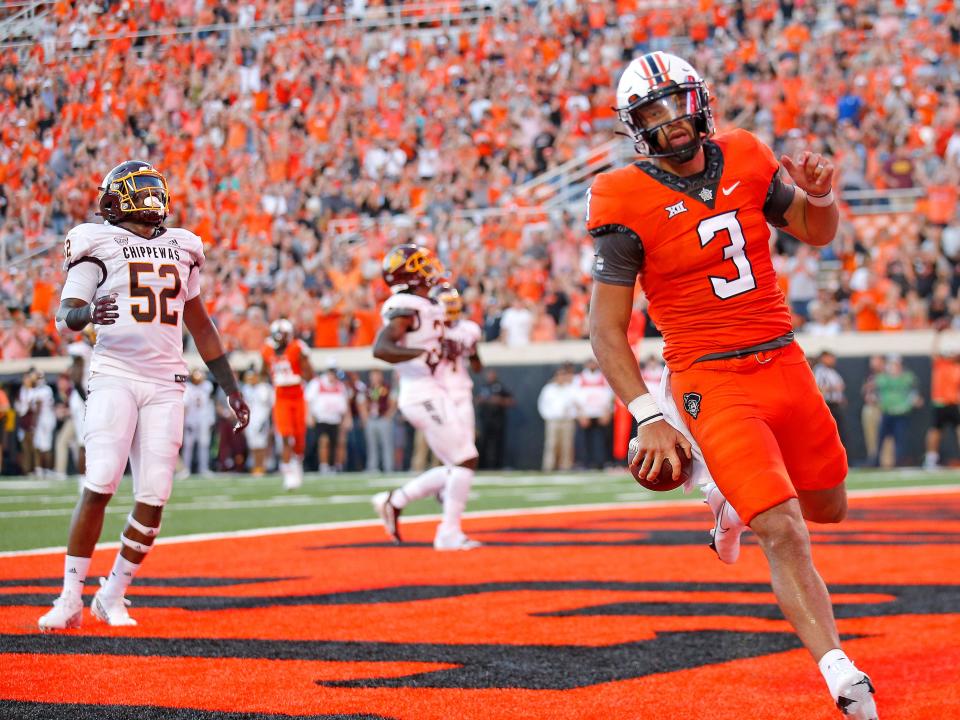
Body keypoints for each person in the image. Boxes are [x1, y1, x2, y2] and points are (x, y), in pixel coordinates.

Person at [586, 53, 877, 719]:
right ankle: (841, 675)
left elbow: (814, 230)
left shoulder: (745, 153)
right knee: (783, 529)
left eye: (679, 103)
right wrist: (646, 414)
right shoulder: (621, 196)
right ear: (636, 127)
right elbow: (606, 329)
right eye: (655, 113)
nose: (674, 122)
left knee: (827, 508)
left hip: (782, 359)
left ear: (699, 100)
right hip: (708, 378)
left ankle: (722, 494)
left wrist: (822, 195)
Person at [38, 160, 249, 632]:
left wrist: (230, 387)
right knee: (101, 480)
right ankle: (70, 595)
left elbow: (201, 325)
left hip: (165, 381)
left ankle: (112, 594)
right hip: (114, 372)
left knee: (155, 493)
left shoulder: (183, 246)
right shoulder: (96, 241)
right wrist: (90, 312)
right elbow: (64, 314)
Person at [370, 244, 481, 551]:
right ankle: (448, 532)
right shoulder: (405, 305)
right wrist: (420, 352)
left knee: (457, 465)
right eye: (422, 264)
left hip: (433, 391)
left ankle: (396, 501)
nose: (429, 268)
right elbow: (381, 348)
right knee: (464, 459)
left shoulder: (423, 304)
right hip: (421, 393)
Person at [261, 318, 312, 490]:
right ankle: (287, 472)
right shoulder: (267, 350)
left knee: (298, 436)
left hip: (297, 395)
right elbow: (263, 372)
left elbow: (309, 373)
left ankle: (297, 463)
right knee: (285, 435)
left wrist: (297, 374)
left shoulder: (297, 348)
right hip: (281, 396)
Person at [304, 359, 351, 473]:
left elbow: (346, 402)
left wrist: (347, 418)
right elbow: (308, 400)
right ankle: (324, 465)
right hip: (321, 419)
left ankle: (337, 466)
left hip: (335, 419)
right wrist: (308, 415)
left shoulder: (340, 386)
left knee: (338, 442)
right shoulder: (317, 383)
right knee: (323, 441)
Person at [875, 354, 921, 468]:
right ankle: (877, 462)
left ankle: (899, 461)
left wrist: (914, 399)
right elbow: (875, 392)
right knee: (881, 439)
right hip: (887, 411)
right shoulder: (882, 378)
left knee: (900, 439)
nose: (894, 367)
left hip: (902, 412)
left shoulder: (908, 377)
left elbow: (915, 391)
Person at [924, 331, 960, 469]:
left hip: (953, 402)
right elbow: (933, 353)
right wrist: (937, 336)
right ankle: (930, 459)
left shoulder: (957, 367)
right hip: (940, 402)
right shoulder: (940, 363)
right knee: (935, 431)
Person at [572, 358, 615, 469]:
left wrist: (608, 411)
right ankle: (584, 463)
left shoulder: (604, 377)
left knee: (603, 440)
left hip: (601, 413)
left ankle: (603, 462)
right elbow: (573, 397)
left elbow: (611, 395)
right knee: (584, 440)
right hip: (585, 414)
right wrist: (580, 414)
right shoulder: (578, 378)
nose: (591, 365)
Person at [537, 364, 577, 472]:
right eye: (559, 375)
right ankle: (549, 467)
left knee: (567, 445)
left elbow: (575, 404)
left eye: (563, 375)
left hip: (567, 420)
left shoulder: (570, 389)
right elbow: (542, 404)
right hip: (553, 420)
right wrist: (548, 416)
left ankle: (566, 467)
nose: (561, 377)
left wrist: (571, 415)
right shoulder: (549, 389)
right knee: (551, 444)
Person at [475, 369, 514, 469]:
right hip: (484, 420)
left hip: (498, 421)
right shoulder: (483, 387)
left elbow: (512, 401)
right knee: (483, 444)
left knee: (497, 445)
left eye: (492, 375)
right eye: (489, 375)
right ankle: (482, 467)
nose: (490, 377)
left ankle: (497, 466)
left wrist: (499, 401)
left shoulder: (501, 387)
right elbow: (476, 400)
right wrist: (481, 400)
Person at [180, 369, 215, 477]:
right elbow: (185, 406)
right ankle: (185, 469)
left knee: (204, 444)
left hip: (204, 419)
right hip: (191, 419)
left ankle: (203, 468)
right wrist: (183, 421)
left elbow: (209, 403)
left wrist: (211, 419)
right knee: (188, 445)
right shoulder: (188, 388)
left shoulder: (207, 386)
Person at [241, 368, 274, 476]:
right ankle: (256, 466)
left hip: (262, 419)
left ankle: (261, 466)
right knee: (253, 444)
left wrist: (270, 420)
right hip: (250, 420)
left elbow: (271, 405)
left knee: (262, 444)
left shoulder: (265, 388)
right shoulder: (245, 389)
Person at [363, 369, 396, 473]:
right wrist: (365, 417)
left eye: (376, 375)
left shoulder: (387, 387)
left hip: (383, 419)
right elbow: (362, 402)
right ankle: (372, 467)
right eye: (373, 375)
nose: (374, 378)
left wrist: (389, 415)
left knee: (387, 444)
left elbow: (394, 402)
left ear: (381, 376)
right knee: (371, 445)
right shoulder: (367, 388)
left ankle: (388, 467)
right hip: (371, 419)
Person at [813, 351, 847, 447]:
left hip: (836, 405)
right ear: (824, 358)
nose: (833, 360)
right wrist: (833, 388)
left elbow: (841, 386)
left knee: (840, 433)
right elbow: (817, 388)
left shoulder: (832, 371)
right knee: (830, 433)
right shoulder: (819, 370)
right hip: (828, 405)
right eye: (830, 357)